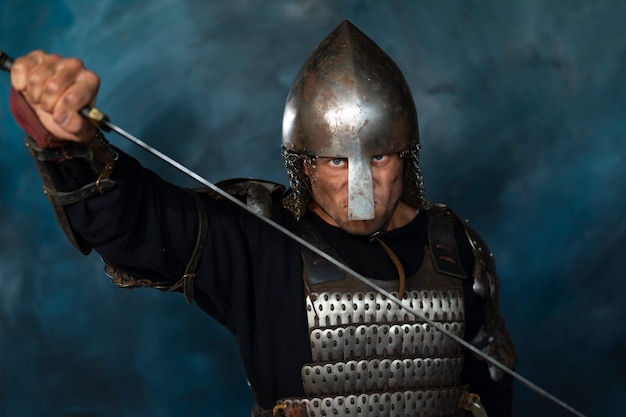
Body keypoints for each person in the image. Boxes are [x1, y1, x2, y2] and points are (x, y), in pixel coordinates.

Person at [8, 20, 516, 417]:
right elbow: (135, 222)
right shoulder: (258, 238)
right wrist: (68, 145)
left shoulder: (455, 246)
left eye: (380, 157)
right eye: (337, 160)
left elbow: (492, 393)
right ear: (304, 162)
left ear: (406, 155)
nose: (362, 186)